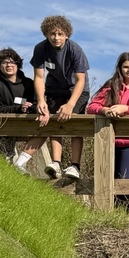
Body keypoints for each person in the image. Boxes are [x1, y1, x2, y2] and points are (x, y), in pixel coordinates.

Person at [85, 52, 129, 209]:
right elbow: (92, 106)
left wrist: (125, 108)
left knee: (125, 181)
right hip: (108, 142)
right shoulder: (111, 85)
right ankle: (108, 215)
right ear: (120, 68)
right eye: (126, 67)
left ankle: (126, 215)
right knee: (106, 180)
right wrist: (104, 110)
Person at [31, 15, 89, 180]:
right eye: (52, 34)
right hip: (54, 88)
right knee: (55, 120)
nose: (56, 37)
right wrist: (41, 100)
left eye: (60, 34)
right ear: (46, 34)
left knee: (74, 122)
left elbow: (80, 80)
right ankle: (56, 162)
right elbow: (39, 77)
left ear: (66, 35)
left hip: (76, 90)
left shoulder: (75, 50)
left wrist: (70, 105)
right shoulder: (40, 49)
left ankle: (75, 166)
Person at [0, 47, 43, 171]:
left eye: (12, 62)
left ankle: (20, 163)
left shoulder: (28, 83)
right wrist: (18, 108)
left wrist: (28, 109)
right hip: (3, 125)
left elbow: (35, 104)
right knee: (2, 165)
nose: (9, 65)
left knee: (46, 130)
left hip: (26, 124)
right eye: (4, 62)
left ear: (18, 64)